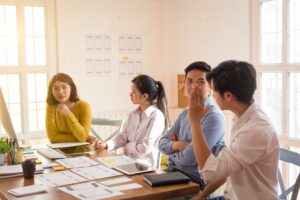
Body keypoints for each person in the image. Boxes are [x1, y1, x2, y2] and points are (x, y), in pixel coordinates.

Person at [189, 60, 279, 200]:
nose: (212, 95)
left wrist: (195, 122)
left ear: (228, 96)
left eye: (214, 91)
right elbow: (227, 169)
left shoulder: (256, 130)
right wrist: (203, 195)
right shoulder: (242, 117)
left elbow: (210, 172)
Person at [158, 61, 225, 186]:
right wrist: (178, 145)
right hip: (173, 174)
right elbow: (161, 143)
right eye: (189, 81)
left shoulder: (214, 117)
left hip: (194, 182)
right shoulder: (185, 112)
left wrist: (172, 156)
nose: (194, 86)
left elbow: (191, 157)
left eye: (201, 82)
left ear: (211, 86)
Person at [94, 74, 169, 168]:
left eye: (133, 91)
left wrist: (127, 145)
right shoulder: (132, 114)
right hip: (127, 161)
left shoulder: (156, 116)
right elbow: (122, 138)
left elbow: (145, 148)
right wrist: (106, 145)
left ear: (144, 96)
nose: (130, 94)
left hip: (144, 166)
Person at [46, 73, 95, 143]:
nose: (60, 92)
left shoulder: (84, 106)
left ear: (71, 88)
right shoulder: (51, 106)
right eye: (56, 88)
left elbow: (82, 136)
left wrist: (68, 114)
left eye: (64, 87)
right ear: (52, 91)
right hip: (59, 149)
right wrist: (81, 137)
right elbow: (52, 137)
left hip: (80, 149)